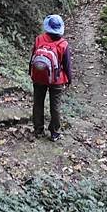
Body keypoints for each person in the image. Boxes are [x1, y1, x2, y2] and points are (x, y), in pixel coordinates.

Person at [29, 14, 72, 142]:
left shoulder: (39, 39)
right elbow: (67, 65)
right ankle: (54, 132)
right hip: (57, 80)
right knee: (55, 106)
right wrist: (69, 79)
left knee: (38, 103)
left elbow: (33, 58)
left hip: (39, 76)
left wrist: (30, 72)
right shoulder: (63, 44)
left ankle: (38, 130)